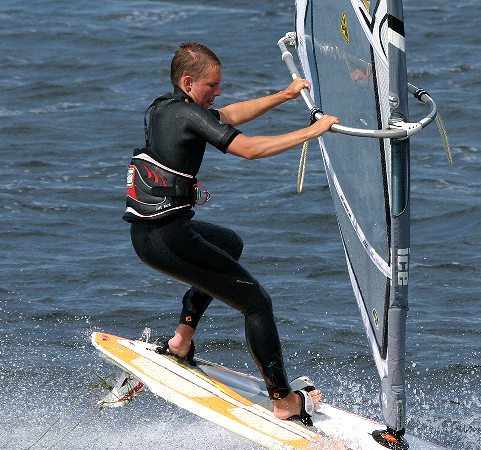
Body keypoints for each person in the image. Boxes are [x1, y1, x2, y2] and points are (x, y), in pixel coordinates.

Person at [124, 42, 337, 422]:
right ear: (189, 82)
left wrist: (283, 96)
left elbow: (228, 116)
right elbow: (251, 150)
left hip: (153, 234)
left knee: (228, 243)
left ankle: (181, 341)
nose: (218, 92)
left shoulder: (166, 109)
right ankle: (283, 401)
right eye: (212, 85)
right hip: (167, 239)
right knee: (256, 303)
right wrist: (312, 132)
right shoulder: (189, 115)